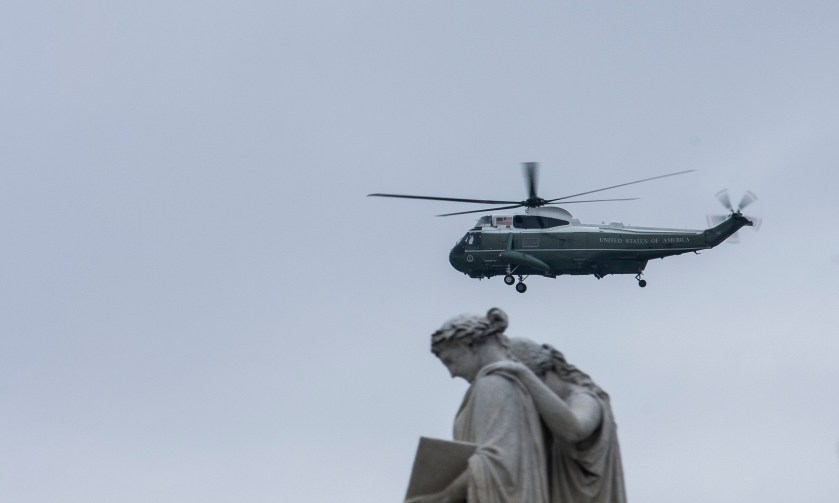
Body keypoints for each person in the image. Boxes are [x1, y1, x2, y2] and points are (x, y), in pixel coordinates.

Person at [406, 308, 550, 503]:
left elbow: (497, 461)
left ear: (470, 345)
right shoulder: (508, 383)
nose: (452, 373)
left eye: (450, 360)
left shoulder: (494, 385)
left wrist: (443, 498)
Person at [499, 338, 627, 503]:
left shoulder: (585, 398)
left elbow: (575, 429)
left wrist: (522, 375)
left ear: (541, 373)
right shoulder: (543, 416)